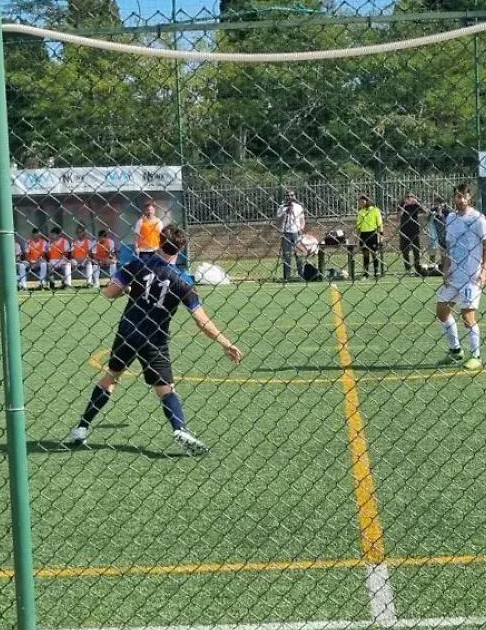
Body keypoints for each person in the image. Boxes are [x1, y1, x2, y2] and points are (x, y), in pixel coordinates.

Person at [65, 227, 243, 453]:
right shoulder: (183, 280)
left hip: (127, 331)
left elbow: (109, 292)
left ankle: (81, 428)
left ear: (159, 242)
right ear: (181, 248)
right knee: (166, 389)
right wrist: (225, 342)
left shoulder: (138, 264)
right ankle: (179, 429)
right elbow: (201, 320)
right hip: (154, 338)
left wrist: (128, 288)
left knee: (111, 377)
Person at [436, 184, 486, 371]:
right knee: (442, 310)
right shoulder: (450, 218)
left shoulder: (478, 219)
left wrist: (484, 270)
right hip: (454, 275)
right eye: (457, 196)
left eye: (463, 196)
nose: (460, 200)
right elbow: (449, 246)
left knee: (467, 316)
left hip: (471, 276)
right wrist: (446, 269)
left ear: (470, 198)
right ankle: (455, 350)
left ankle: (476, 356)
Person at [276, 190, 306, 281]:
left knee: (299, 254)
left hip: (296, 232)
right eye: (288, 195)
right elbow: (278, 220)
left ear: (294, 196)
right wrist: (285, 213)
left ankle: (301, 275)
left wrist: (301, 228)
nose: (290, 197)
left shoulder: (298, 207)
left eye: (292, 195)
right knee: (287, 255)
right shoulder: (282, 207)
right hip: (286, 233)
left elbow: (302, 219)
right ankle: (287, 277)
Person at [394, 192, 426, 274]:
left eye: (411, 196)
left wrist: (417, 202)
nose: (409, 198)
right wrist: (404, 206)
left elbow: (425, 211)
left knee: (416, 250)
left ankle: (417, 267)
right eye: (407, 197)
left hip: (414, 230)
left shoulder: (415, 205)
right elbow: (398, 217)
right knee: (405, 250)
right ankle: (407, 268)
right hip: (404, 230)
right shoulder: (402, 205)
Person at [356, 195, 383, 279]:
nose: (360, 203)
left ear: (367, 201)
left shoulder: (375, 210)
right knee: (365, 255)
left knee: (374, 254)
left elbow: (379, 223)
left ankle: (376, 272)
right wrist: (357, 237)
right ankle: (366, 273)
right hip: (364, 234)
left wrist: (381, 235)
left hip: (372, 234)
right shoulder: (360, 212)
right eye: (359, 202)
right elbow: (358, 225)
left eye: (362, 201)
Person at [426, 197, 449, 266]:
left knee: (443, 250)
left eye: (439, 203)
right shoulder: (433, 210)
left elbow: (444, 222)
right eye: (436, 203)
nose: (437, 205)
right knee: (432, 250)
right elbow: (428, 219)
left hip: (442, 233)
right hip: (433, 233)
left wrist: (440, 212)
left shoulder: (446, 211)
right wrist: (431, 212)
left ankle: (443, 265)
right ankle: (431, 265)